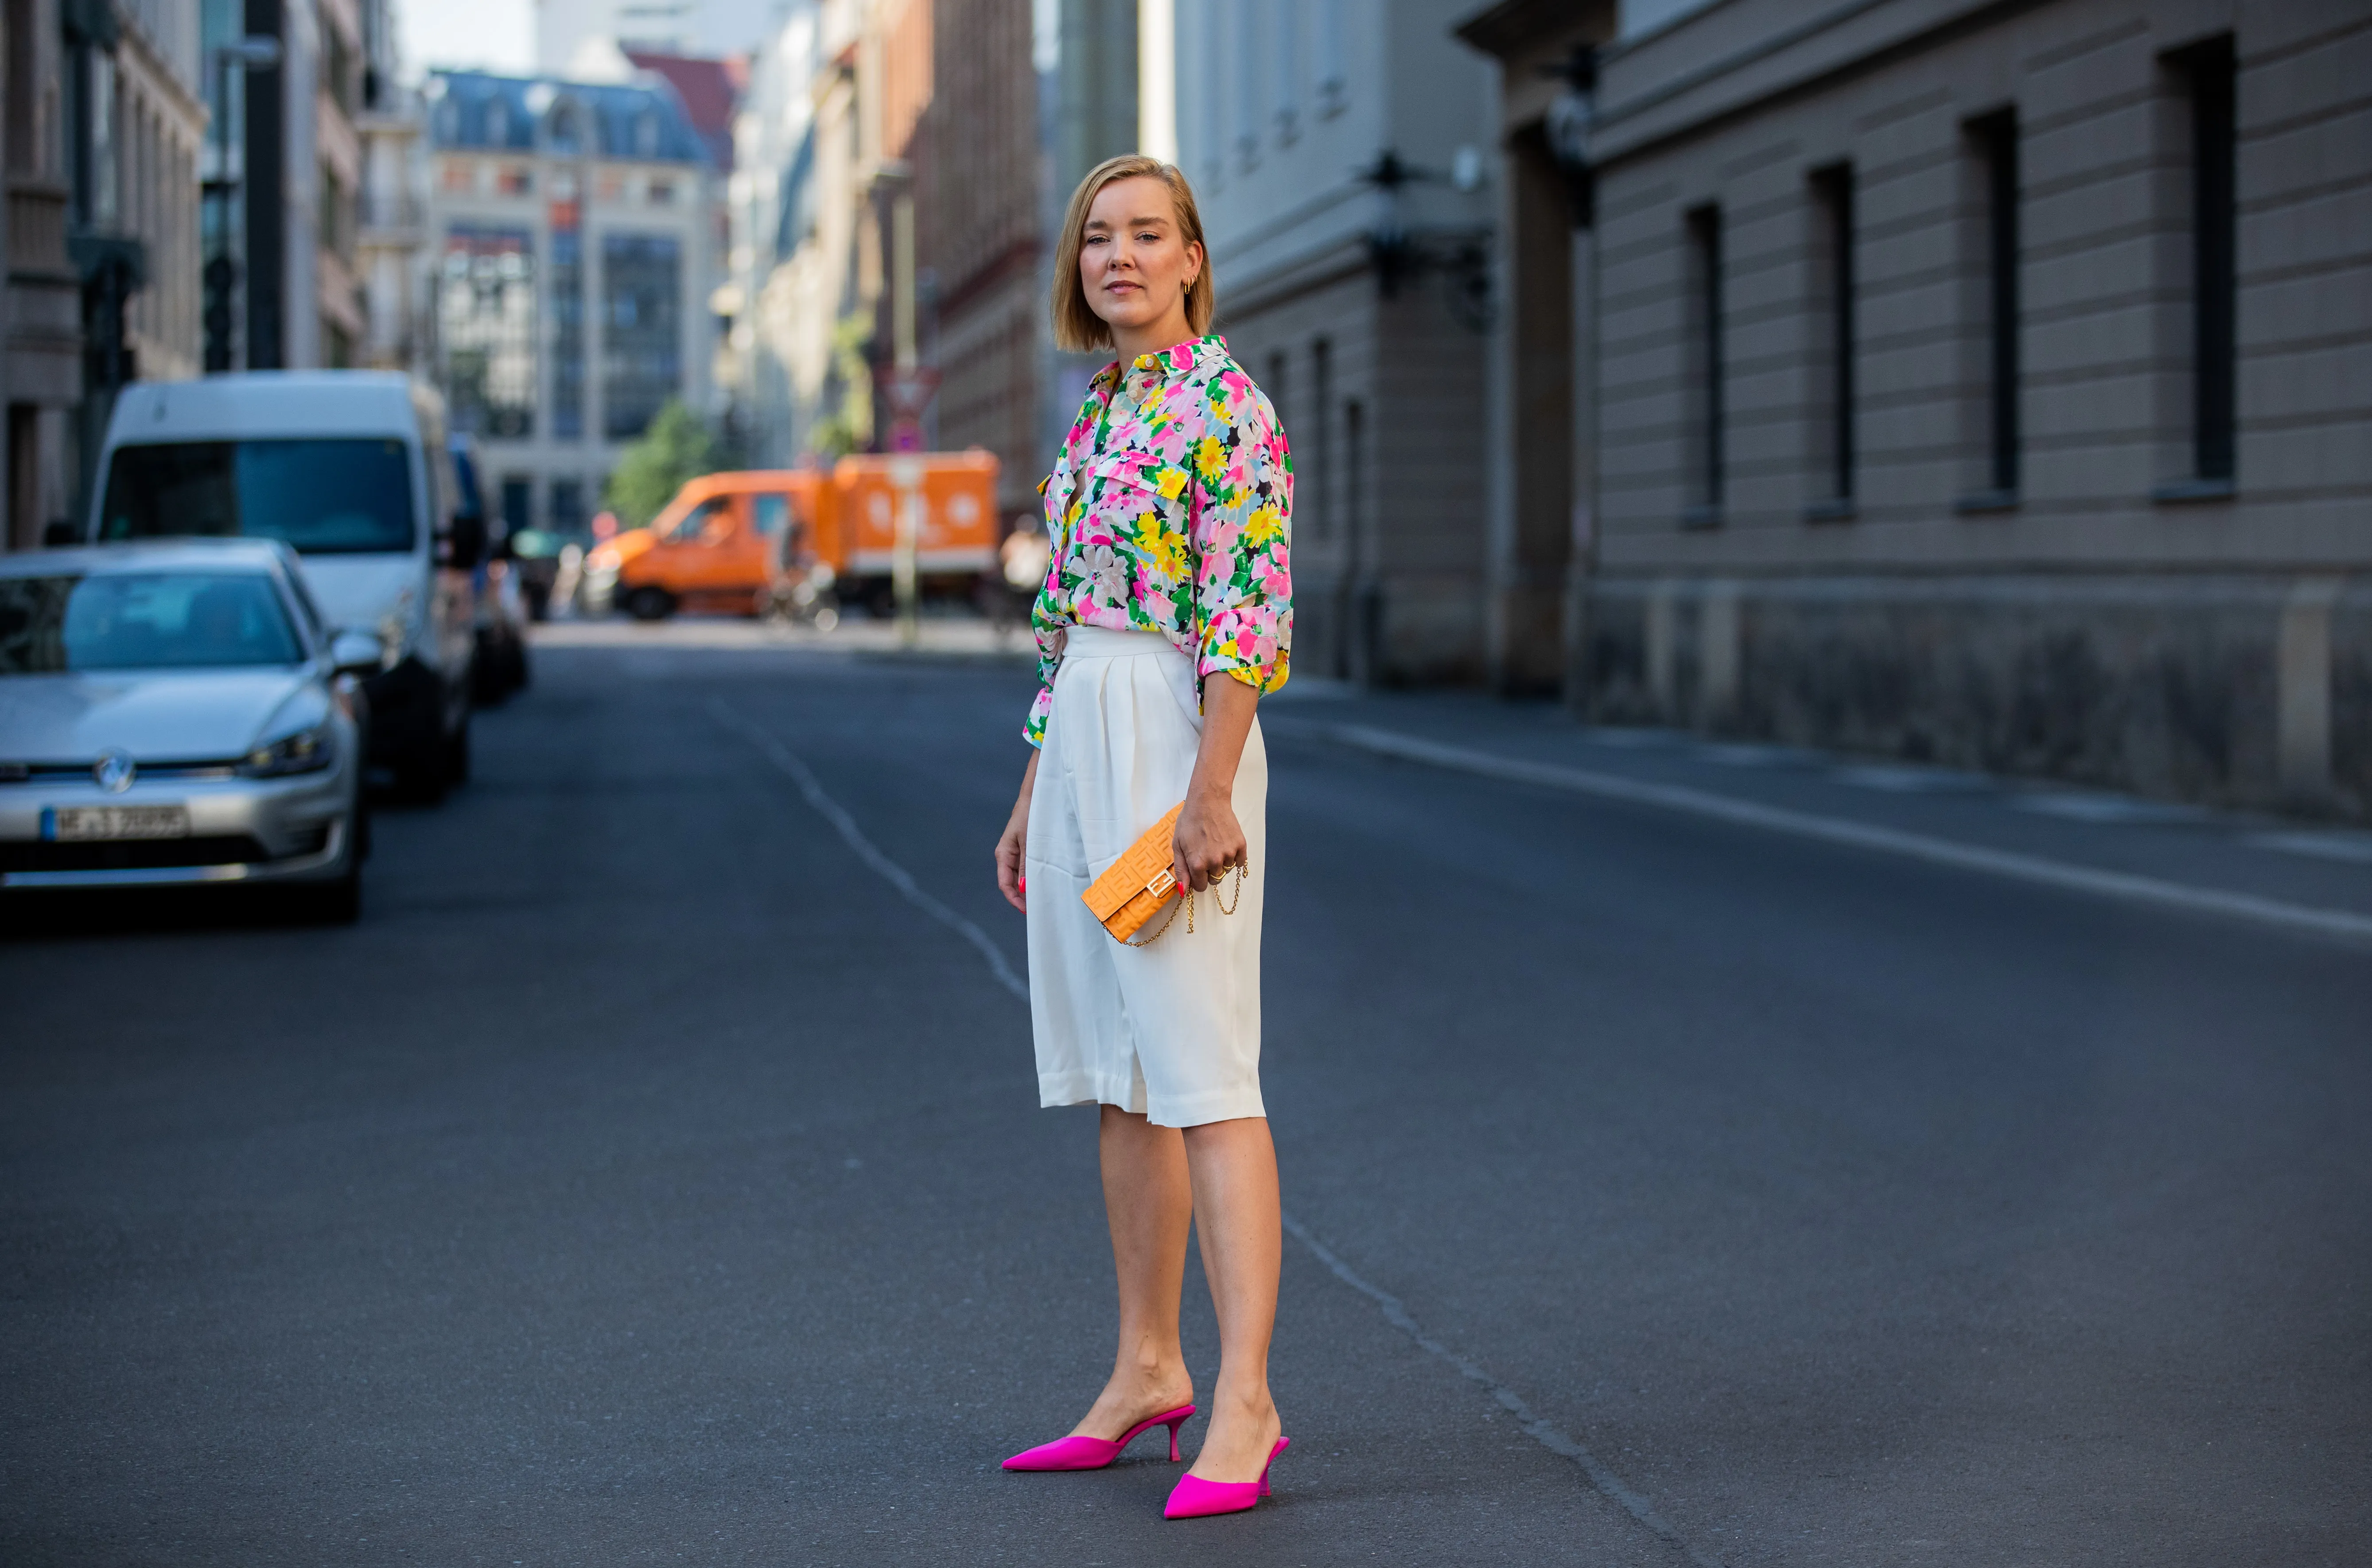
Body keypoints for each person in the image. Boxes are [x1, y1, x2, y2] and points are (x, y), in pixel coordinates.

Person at [992, 153, 1294, 1521]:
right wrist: (1030, 793)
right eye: (1099, 237)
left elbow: (1245, 616)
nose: (1120, 255)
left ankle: (1247, 1399)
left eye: (1147, 235)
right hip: (1086, 745)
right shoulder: (1098, 411)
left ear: (1190, 259)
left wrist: (1213, 790)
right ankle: (1146, 1369)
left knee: (1206, 1075)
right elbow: (1064, 628)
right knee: (1122, 1081)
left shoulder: (1227, 409)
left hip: (1181, 741)